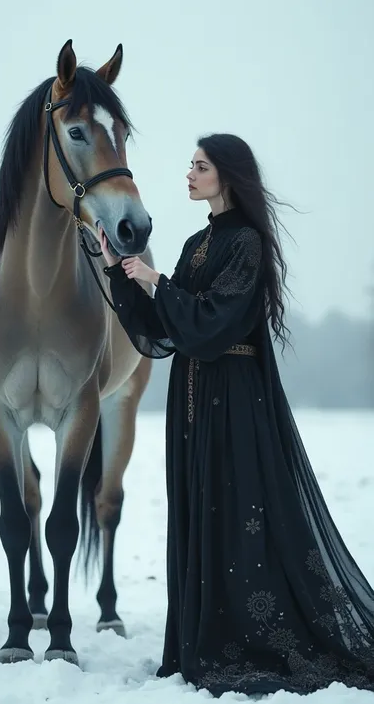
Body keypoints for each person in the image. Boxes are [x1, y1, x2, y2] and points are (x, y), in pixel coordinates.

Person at [98, 134, 374, 697]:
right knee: (200, 511)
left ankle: (252, 639)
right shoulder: (199, 241)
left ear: (228, 175)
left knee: (243, 513)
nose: (190, 173)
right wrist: (118, 273)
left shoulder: (247, 244)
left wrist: (156, 281)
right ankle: (202, 637)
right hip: (193, 407)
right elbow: (164, 330)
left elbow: (213, 322)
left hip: (237, 404)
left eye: (200, 166)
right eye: (190, 165)